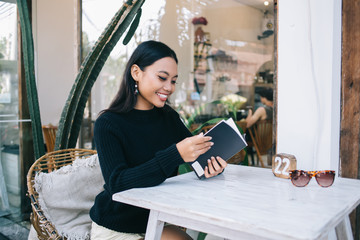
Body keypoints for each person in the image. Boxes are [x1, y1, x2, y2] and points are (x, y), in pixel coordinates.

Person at [90, 40, 227, 240]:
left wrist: (212, 165)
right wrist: (175, 155)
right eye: (162, 78)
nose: (169, 87)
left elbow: (197, 155)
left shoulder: (168, 117)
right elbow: (117, 183)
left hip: (157, 218)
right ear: (136, 73)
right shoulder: (108, 123)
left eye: (173, 81)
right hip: (117, 226)